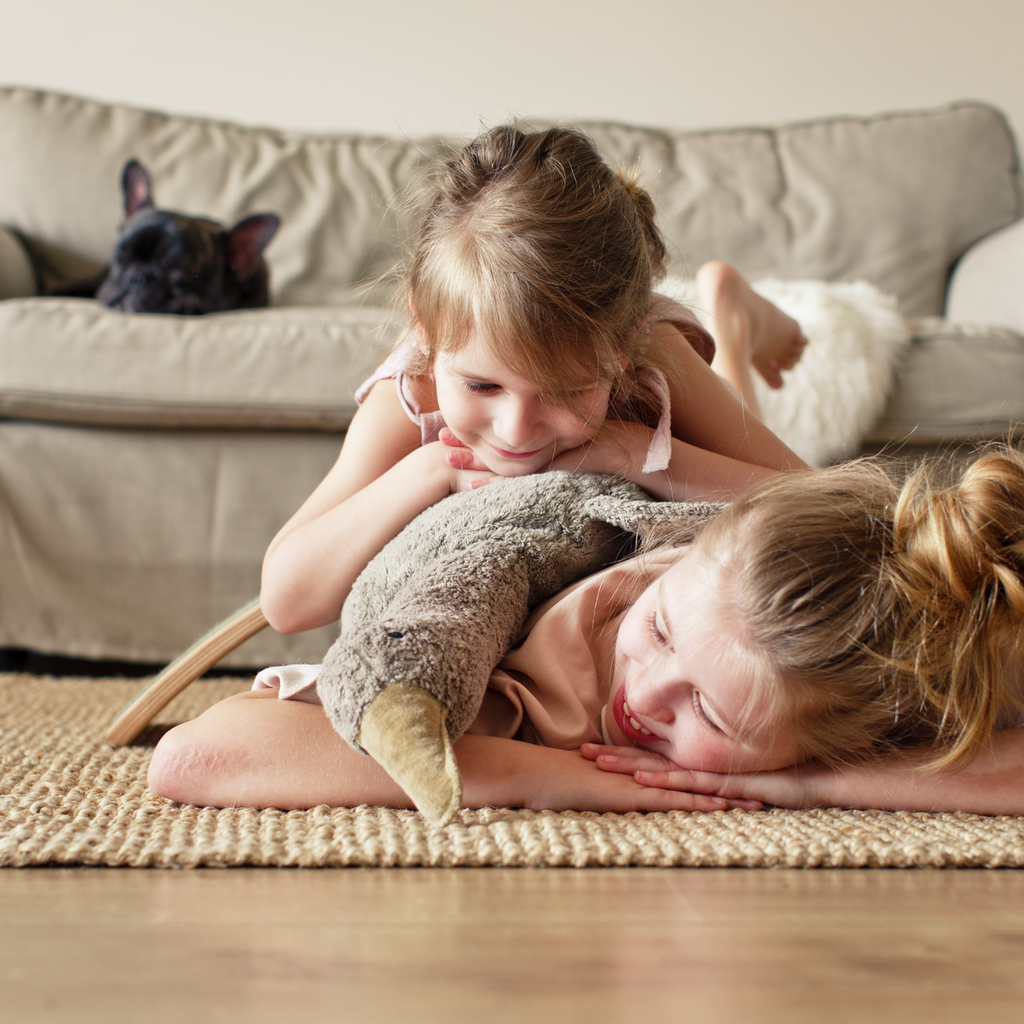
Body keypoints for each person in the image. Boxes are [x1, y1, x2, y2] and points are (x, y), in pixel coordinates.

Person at [148, 445, 1024, 817]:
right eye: (661, 630)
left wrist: (807, 788)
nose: (644, 696)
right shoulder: (558, 669)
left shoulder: (878, 672)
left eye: (712, 720)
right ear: (681, 561)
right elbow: (195, 755)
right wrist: (557, 773)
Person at [259, 124, 807, 637]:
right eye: (482, 387)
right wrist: (433, 469)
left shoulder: (650, 351)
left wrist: (635, 454)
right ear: (426, 331)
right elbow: (284, 601)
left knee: (738, 417)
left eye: (565, 391)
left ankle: (729, 319)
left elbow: (830, 506)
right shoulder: (417, 387)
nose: (516, 432)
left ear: (621, 349)